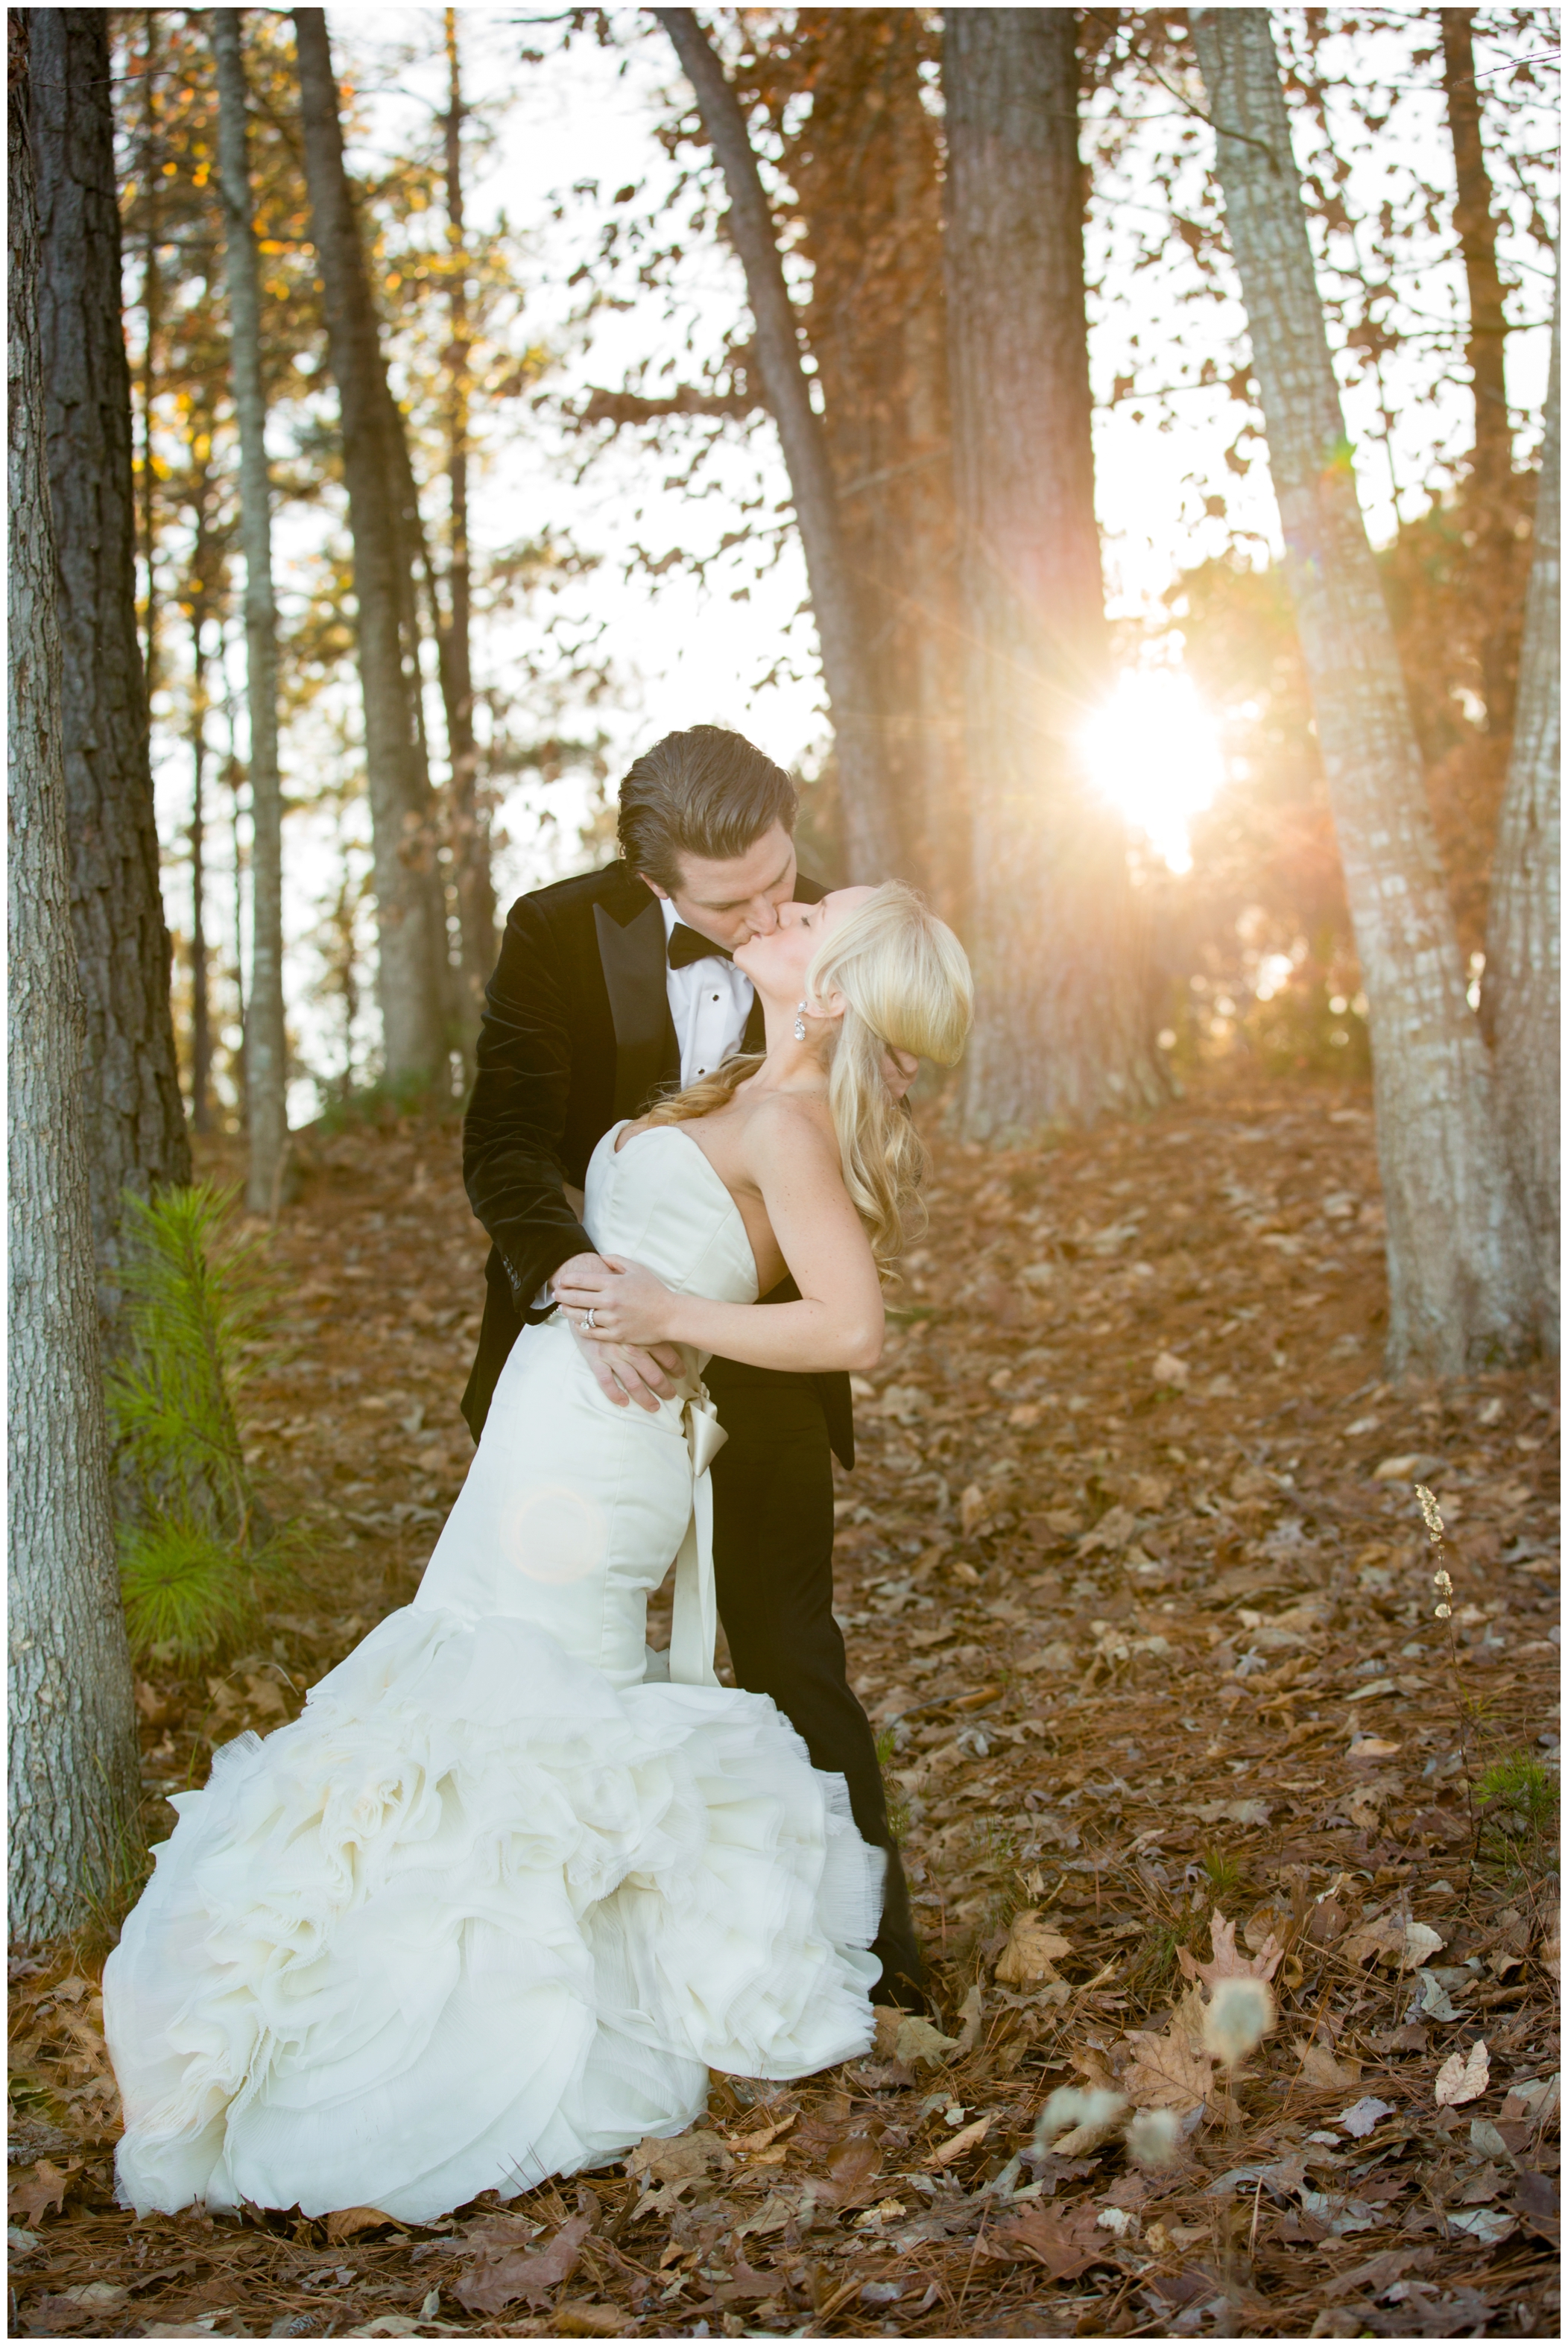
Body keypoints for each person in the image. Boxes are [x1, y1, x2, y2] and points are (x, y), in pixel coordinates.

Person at [104, 876, 973, 2228]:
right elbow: (604, 1218)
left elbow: (851, 1329)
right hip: (543, 1421)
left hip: (602, 1458)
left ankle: (480, 2029)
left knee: (517, 1710)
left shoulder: (794, 1125)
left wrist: (668, 1305)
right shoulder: (747, 1086)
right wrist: (587, 1280)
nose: (782, 911)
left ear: (839, 987)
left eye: (811, 918)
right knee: (473, 1674)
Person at [461, 727, 928, 2003]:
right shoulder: (557, 933)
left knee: (789, 1648)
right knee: (562, 1655)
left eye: (783, 878)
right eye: (731, 902)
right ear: (656, 878)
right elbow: (501, 1143)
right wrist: (584, 1291)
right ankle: (578, 1971)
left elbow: (869, 1108)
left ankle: (877, 1970)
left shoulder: (814, 935)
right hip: (590, 1360)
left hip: (767, 1351)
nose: (769, 909)